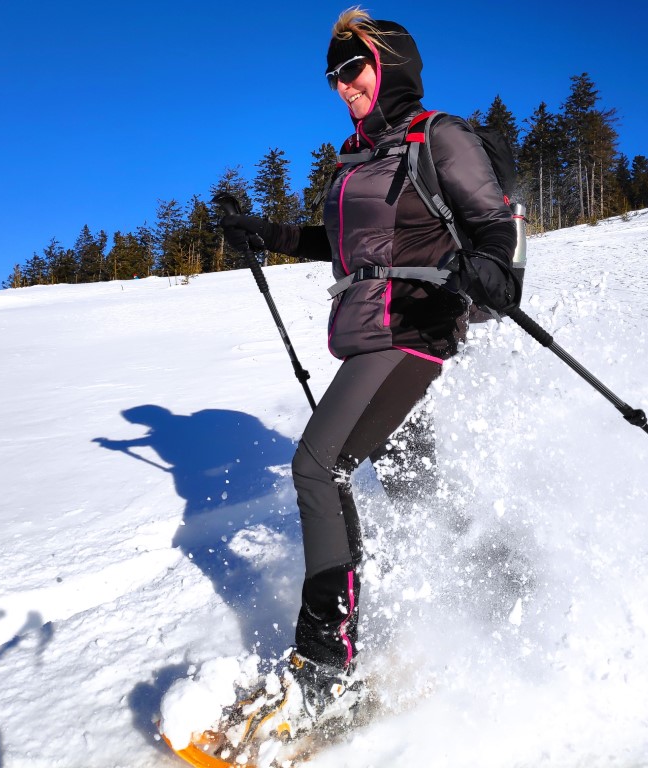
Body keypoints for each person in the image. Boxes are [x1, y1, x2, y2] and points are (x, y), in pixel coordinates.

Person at [219, 7, 517, 739]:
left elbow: (493, 223)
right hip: (368, 331)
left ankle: (326, 669)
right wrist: (269, 233)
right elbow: (346, 244)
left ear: (389, 64)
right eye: (333, 74)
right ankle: (499, 572)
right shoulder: (360, 157)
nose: (342, 84)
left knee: (318, 469)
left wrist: (492, 272)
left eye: (352, 68)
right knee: (410, 477)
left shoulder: (437, 136)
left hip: (411, 328)